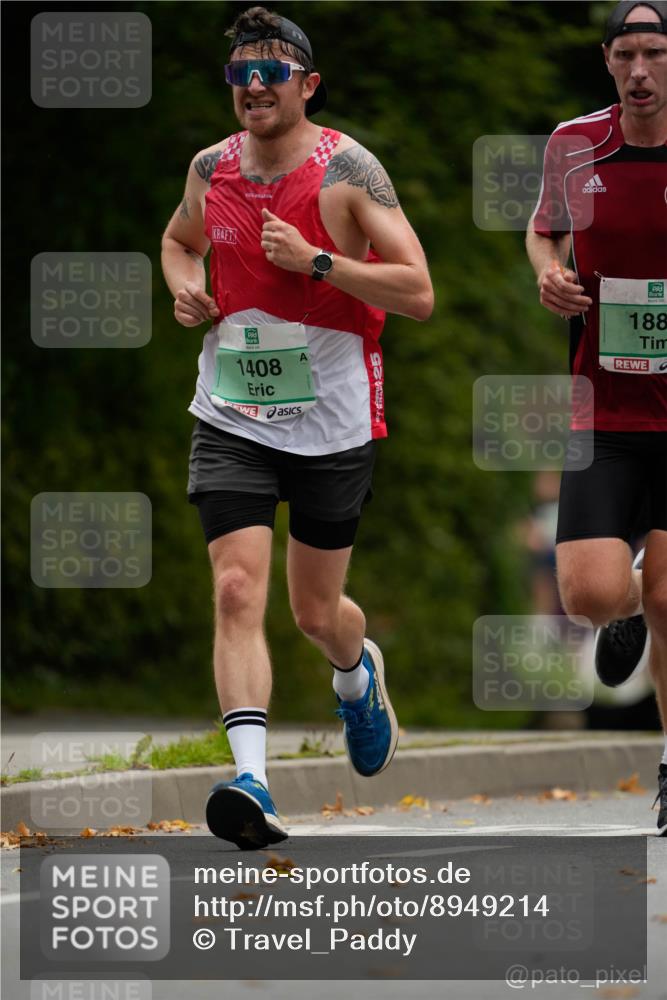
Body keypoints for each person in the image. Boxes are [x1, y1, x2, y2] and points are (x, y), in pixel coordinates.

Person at [161, 6, 433, 849]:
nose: (252, 86)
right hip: (231, 412)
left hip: (332, 420)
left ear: (307, 85)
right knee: (236, 588)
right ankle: (251, 778)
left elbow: (417, 291)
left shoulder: (347, 169)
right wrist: (183, 287)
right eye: (240, 71)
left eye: (270, 72)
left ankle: (356, 678)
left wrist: (317, 261)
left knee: (318, 614)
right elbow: (177, 241)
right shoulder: (211, 167)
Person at [526, 0, 667, 834]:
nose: (640, 70)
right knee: (588, 592)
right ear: (608, 62)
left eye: (654, 53)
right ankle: (626, 605)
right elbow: (542, 235)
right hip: (603, 412)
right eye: (626, 55)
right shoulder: (574, 144)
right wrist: (548, 273)